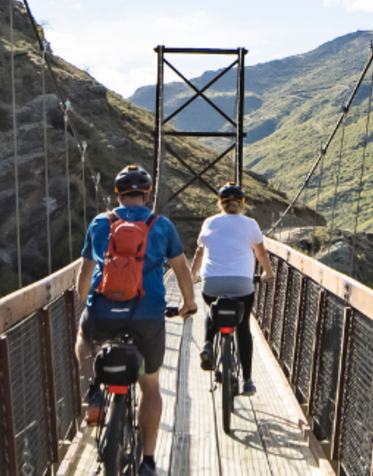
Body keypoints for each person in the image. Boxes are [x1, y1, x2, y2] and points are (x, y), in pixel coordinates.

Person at [74, 164, 197, 476]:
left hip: (102, 314)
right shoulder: (162, 225)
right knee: (150, 385)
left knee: (83, 337)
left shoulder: (100, 222)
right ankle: (148, 461)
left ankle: (93, 392)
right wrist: (188, 304)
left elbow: (85, 274)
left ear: (118, 194)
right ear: (147, 193)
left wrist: (87, 301)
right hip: (147, 317)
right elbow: (182, 270)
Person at [190, 182, 274, 396]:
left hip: (212, 285)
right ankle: (247, 381)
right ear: (241, 204)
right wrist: (267, 273)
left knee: (212, 309)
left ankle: (208, 343)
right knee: (243, 325)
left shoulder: (209, 222)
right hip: (242, 286)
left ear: (220, 204)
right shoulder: (250, 224)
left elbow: (200, 253)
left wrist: (193, 274)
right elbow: (262, 254)